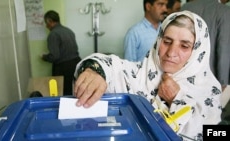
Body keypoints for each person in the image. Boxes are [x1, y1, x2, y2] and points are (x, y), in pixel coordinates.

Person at [74, 11, 222, 140]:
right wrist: (94, 71)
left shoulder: (209, 91)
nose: (171, 52)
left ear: (198, 52)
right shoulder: (139, 74)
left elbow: (214, 134)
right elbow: (111, 66)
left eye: (184, 46)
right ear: (158, 42)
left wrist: (177, 99)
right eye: (167, 41)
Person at [181, 0, 230, 92]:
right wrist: (223, 82)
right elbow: (223, 50)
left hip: (184, 77)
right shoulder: (225, 11)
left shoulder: (186, 7)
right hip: (210, 80)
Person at [42, 10, 81, 95]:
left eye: (46, 23)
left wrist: (44, 57)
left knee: (63, 93)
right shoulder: (68, 31)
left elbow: (54, 56)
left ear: (50, 21)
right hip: (76, 64)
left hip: (63, 68)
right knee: (74, 91)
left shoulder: (53, 34)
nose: (46, 26)